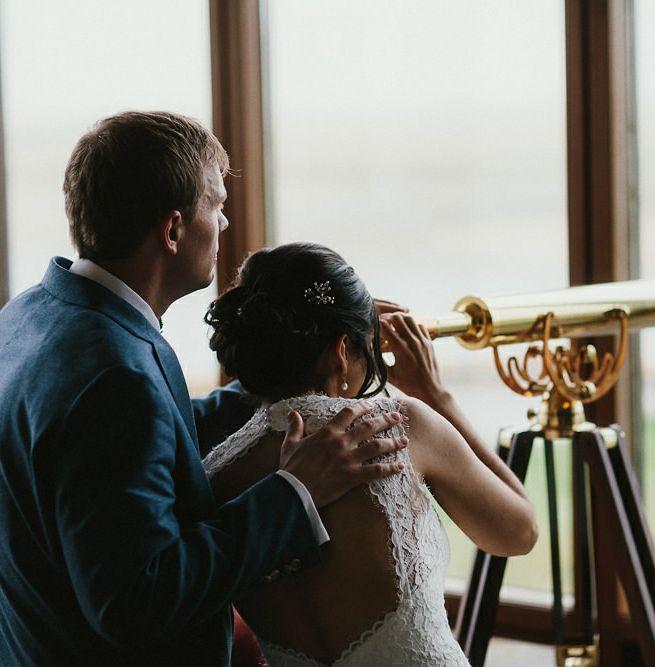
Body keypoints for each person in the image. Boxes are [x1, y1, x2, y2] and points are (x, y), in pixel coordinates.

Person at [0, 111, 409, 666]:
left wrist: (300, 368)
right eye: (215, 206)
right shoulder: (116, 374)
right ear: (172, 230)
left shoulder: (32, 315)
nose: (224, 225)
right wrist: (295, 491)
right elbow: (134, 600)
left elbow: (136, 446)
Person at [202, 242, 539, 666]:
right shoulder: (400, 427)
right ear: (342, 352)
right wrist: (435, 395)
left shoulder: (215, 476)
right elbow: (516, 531)